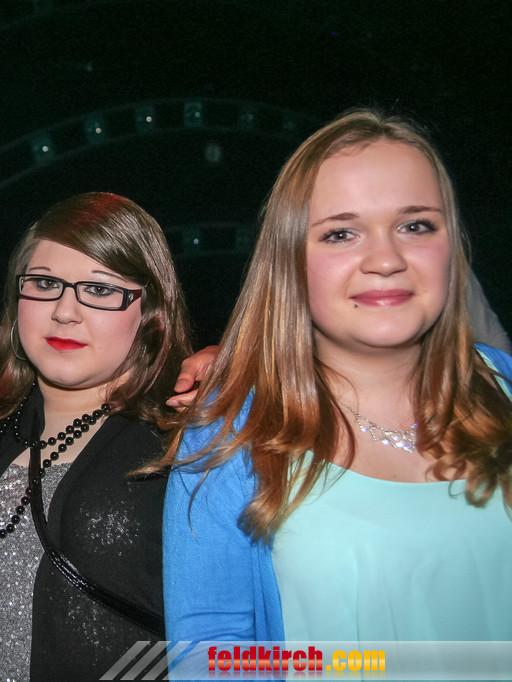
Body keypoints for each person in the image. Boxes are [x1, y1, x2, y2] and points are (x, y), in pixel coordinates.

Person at [158, 110, 512, 652]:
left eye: (415, 225)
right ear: (290, 262)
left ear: (452, 245)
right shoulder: (228, 437)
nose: (386, 259)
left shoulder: (504, 387)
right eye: (341, 233)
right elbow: (212, 652)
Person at [0, 192, 193, 680]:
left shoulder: (184, 445)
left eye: (101, 289)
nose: (65, 311)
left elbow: (240, 640)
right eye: (45, 284)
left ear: (151, 312)